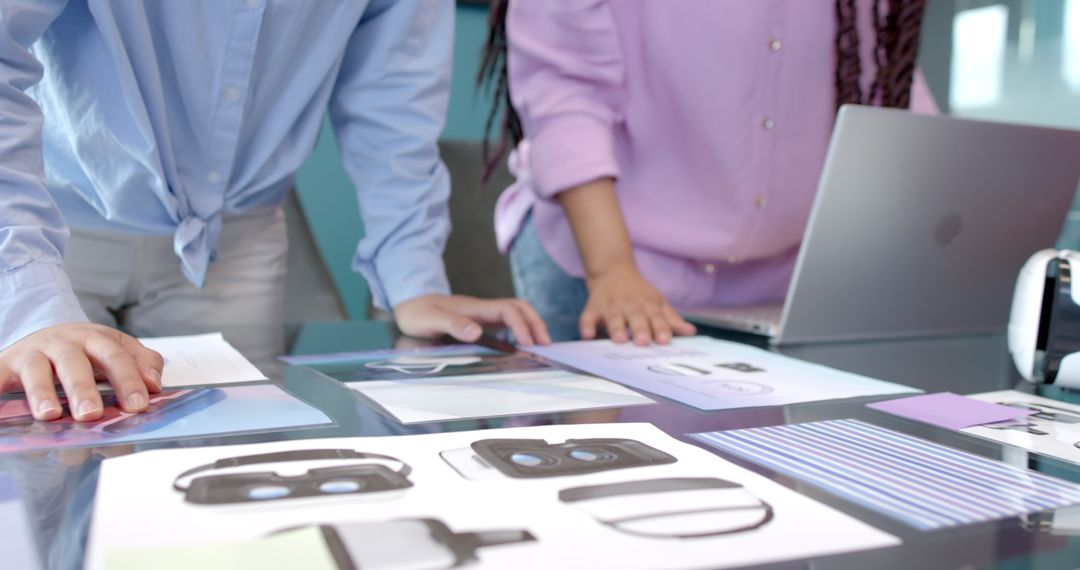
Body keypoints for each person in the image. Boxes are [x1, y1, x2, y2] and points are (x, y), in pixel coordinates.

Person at [0, 0, 549, 423]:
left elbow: (395, 95)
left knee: (232, 471)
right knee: (45, 479)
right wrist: (25, 288)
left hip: (234, 242)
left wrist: (414, 276)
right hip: (45, 225)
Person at [481, 0, 938, 345]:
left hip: (778, 291)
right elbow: (564, 94)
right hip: (608, 265)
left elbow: (887, 85)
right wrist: (611, 268)